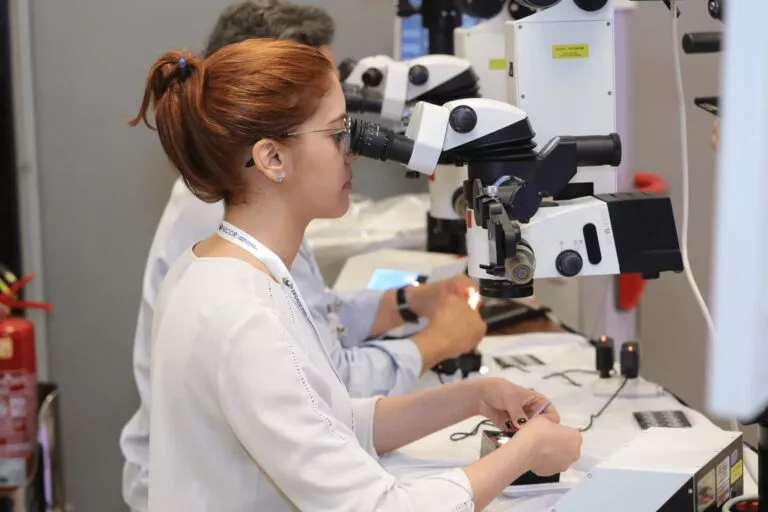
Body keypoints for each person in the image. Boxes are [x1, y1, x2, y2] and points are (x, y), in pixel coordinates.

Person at [130, 37, 581, 511]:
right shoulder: (244, 317)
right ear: (272, 158)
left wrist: (472, 397)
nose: (354, 152)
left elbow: (332, 421)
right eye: (336, 134)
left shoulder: (221, 268)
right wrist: (526, 452)